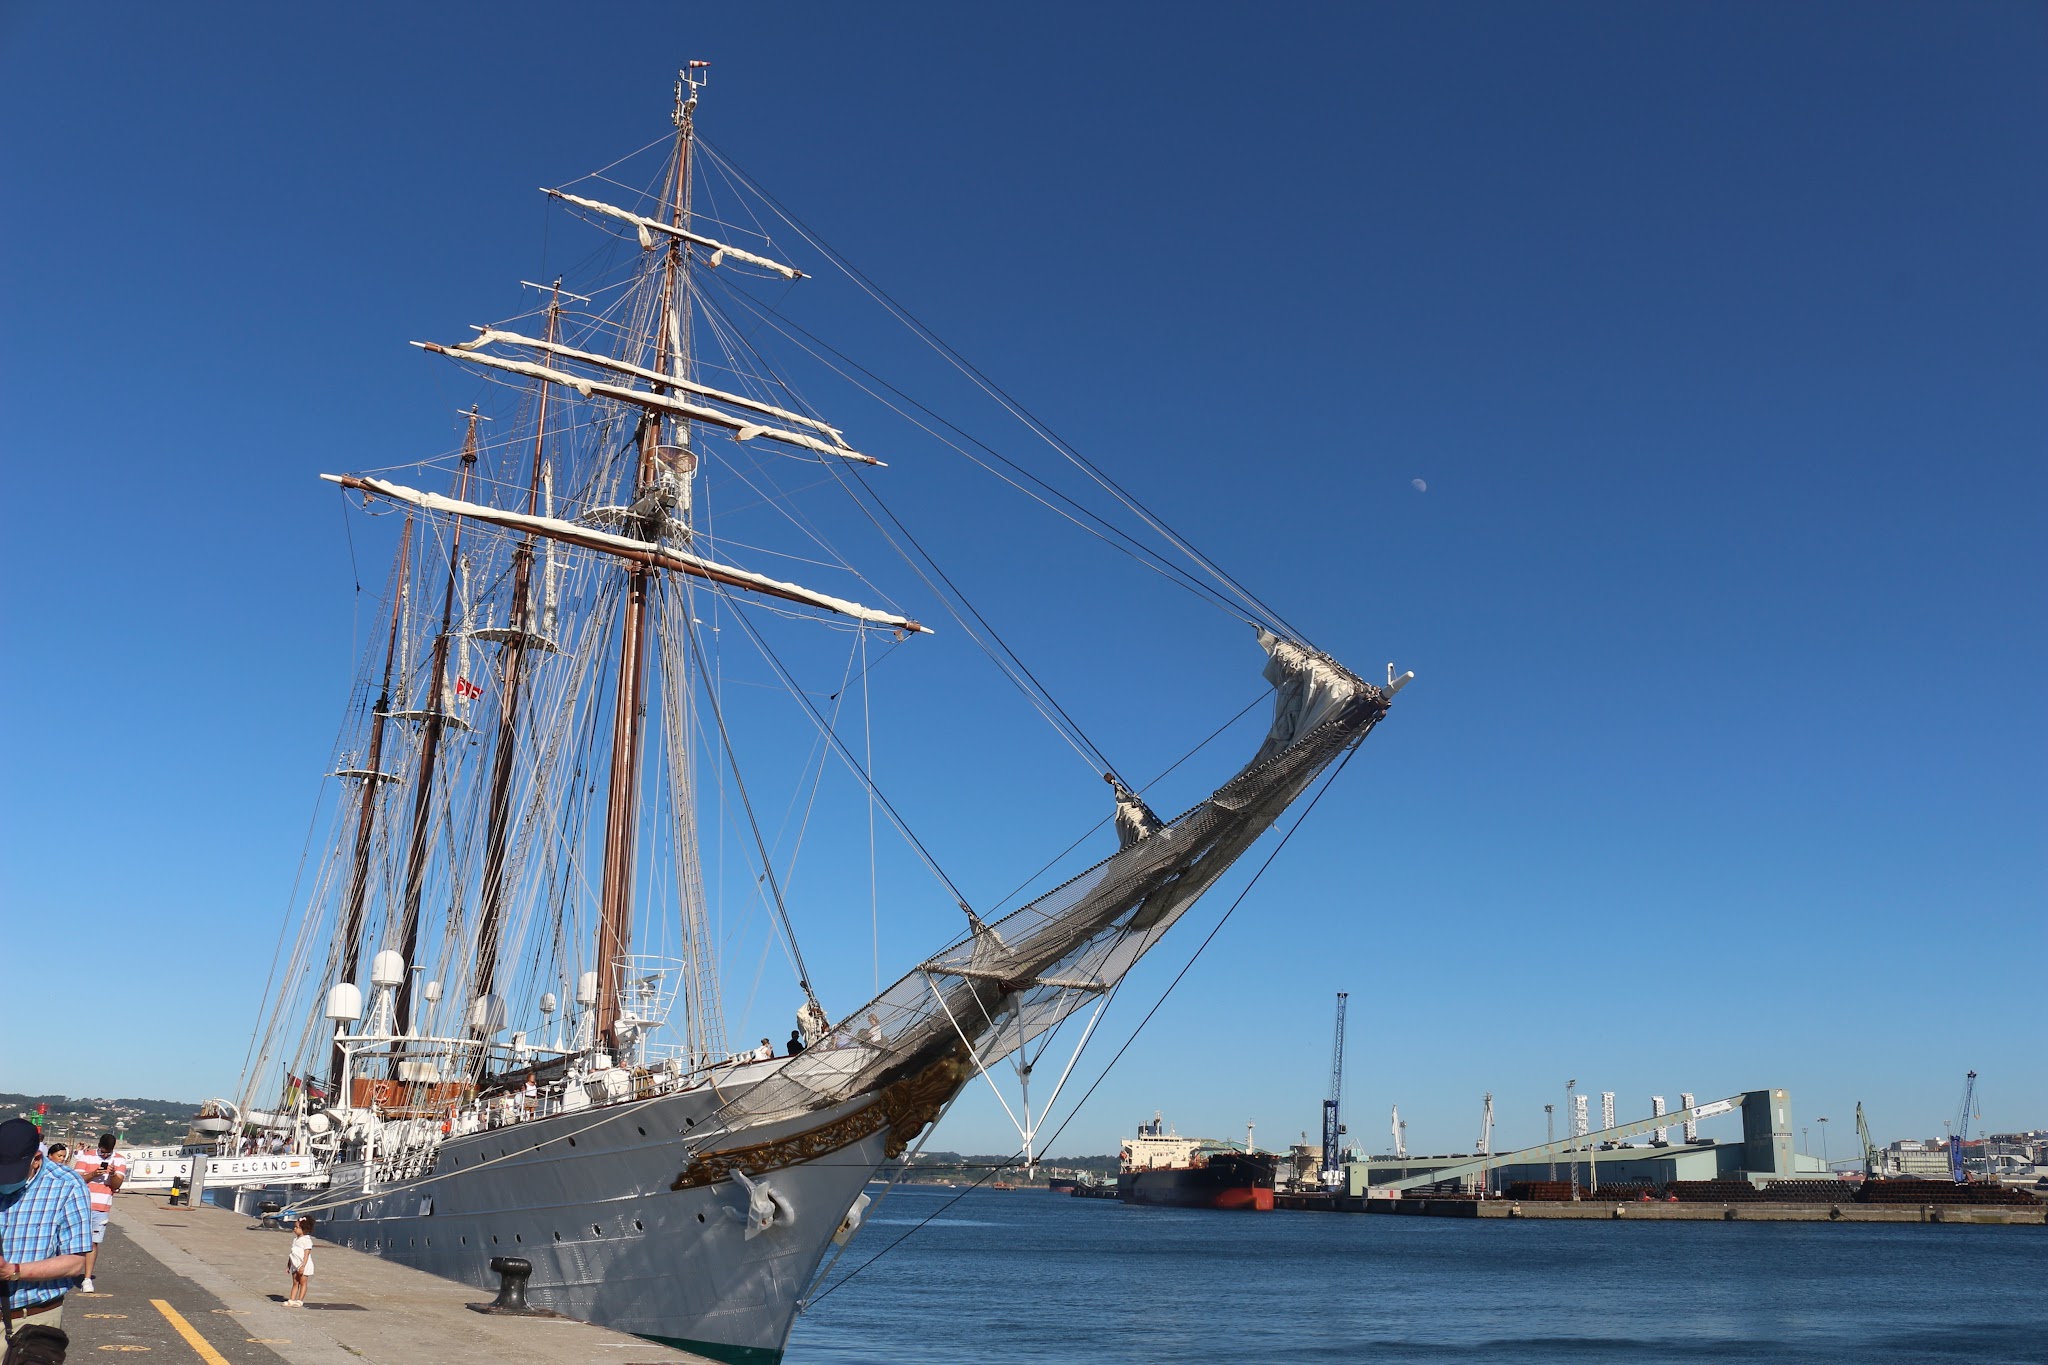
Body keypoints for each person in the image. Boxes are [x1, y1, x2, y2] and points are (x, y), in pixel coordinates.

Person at [0, 1117, 92, 1333]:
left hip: (31, 1317)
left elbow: (74, 1263)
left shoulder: (67, 1185)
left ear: (36, 1159)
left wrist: (13, 1271)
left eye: (12, 1174)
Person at [69, 1133, 126, 1294]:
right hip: (80, 1204)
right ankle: (67, 1272)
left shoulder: (120, 1160)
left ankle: (87, 1279)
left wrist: (113, 1174)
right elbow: (77, 1179)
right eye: (103, 1151)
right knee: (73, 1241)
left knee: (93, 1243)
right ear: (98, 1146)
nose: (105, 1155)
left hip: (101, 1206)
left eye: (108, 1153)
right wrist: (94, 1173)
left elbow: (117, 1184)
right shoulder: (87, 1156)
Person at [284, 1216, 316, 1307]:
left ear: (304, 1229)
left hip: (303, 1264)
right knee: (295, 1282)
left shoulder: (307, 1240)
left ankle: (300, 1300)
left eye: (297, 1227)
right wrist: (288, 1265)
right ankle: (291, 1299)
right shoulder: (295, 1240)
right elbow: (292, 1253)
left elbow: (306, 1255)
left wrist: (303, 1266)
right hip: (295, 1263)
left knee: (303, 1282)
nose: (294, 1229)